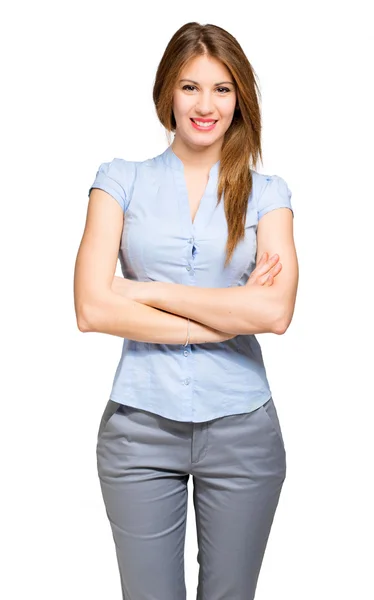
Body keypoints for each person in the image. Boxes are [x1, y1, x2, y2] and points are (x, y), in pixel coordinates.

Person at [74, 21, 298, 600]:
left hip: (243, 429)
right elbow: (92, 307)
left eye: (222, 89)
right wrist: (228, 311)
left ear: (240, 98)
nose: (206, 105)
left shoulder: (268, 194)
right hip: (139, 431)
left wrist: (142, 291)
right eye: (190, 87)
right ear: (166, 94)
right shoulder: (117, 182)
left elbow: (274, 312)